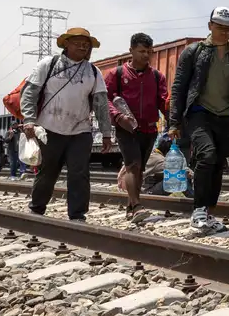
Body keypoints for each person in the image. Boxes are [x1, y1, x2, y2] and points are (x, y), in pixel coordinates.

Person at [168, 7, 229, 234]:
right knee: (206, 156)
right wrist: (174, 121)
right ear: (210, 26)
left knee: (219, 164)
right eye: (221, 28)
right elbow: (179, 87)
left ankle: (208, 213)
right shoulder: (193, 52)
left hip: (225, 117)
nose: (225, 33)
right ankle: (198, 210)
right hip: (199, 114)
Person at [22, 28, 114, 221]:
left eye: (86, 44)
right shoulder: (48, 64)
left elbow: (101, 104)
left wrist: (106, 133)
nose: (83, 47)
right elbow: (29, 94)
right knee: (48, 171)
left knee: (79, 174)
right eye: (78, 43)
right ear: (66, 44)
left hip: (80, 131)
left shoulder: (93, 72)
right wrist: (29, 120)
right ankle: (37, 209)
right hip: (48, 130)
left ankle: (78, 215)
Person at [105, 32, 170, 222]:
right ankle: (138, 206)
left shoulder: (157, 77)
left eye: (149, 51)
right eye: (142, 51)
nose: (146, 55)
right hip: (126, 129)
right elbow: (105, 99)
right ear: (131, 50)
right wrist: (117, 117)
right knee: (132, 165)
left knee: (140, 169)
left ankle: (131, 207)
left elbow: (162, 102)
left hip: (149, 129)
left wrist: (173, 119)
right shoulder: (117, 75)